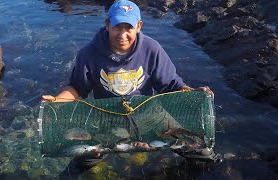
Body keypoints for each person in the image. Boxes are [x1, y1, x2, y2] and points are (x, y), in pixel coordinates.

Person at [42, 0, 213, 177]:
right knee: (85, 159)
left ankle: (211, 168)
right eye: (117, 27)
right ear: (107, 25)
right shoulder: (88, 54)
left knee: (196, 148)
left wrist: (191, 93)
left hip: (148, 112)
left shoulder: (151, 49)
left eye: (128, 28)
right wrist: (58, 101)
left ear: (139, 26)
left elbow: (171, 85)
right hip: (107, 116)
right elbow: (77, 87)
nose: (122, 34)